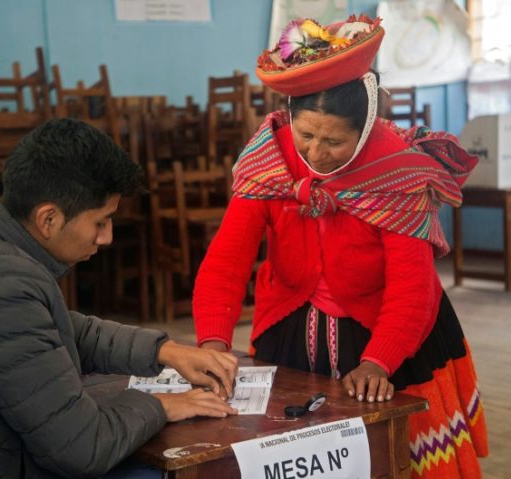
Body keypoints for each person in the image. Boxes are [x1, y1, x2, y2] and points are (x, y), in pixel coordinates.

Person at [193, 15, 488, 478]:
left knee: (393, 458)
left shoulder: (397, 171)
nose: (315, 153)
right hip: (289, 325)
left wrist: (379, 360)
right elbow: (225, 264)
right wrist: (212, 343)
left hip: (389, 332)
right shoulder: (268, 159)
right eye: (305, 135)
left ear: (365, 126)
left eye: (334, 141)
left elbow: (413, 287)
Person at [0, 118, 239, 478]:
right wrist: (162, 405)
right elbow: (81, 449)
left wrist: (165, 351)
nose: (107, 237)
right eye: (100, 222)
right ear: (48, 218)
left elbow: (52, 329)